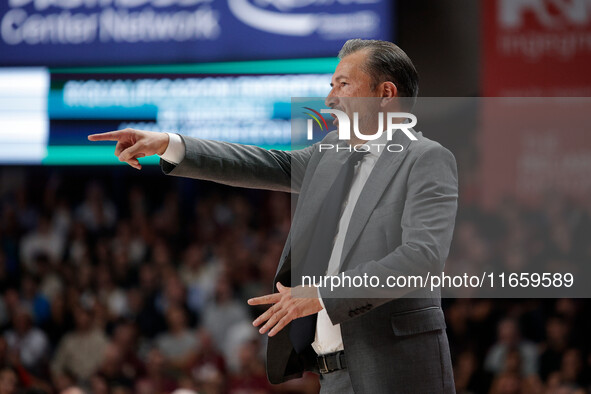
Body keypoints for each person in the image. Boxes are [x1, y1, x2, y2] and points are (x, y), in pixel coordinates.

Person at [89, 39, 458, 393]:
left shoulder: (425, 158)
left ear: (386, 94)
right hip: (333, 375)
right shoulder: (329, 154)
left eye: (344, 84)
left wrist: (323, 295)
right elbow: (266, 163)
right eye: (331, 85)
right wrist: (170, 144)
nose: (330, 98)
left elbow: (422, 257)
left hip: (398, 369)